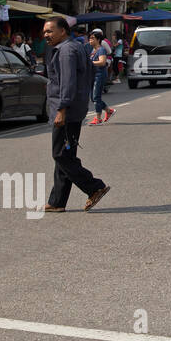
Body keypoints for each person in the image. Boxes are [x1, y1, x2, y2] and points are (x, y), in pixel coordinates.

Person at [42, 16, 110, 212]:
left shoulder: (66, 52)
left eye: (50, 31)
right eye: (45, 31)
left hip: (67, 111)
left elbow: (68, 82)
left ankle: (95, 187)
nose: (46, 35)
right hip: (74, 108)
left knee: (60, 154)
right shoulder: (75, 47)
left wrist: (62, 109)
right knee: (66, 154)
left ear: (63, 31)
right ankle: (57, 201)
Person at [87, 30, 115, 126]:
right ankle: (108, 111)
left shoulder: (101, 50)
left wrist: (89, 63)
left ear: (98, 40)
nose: (90, 40)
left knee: (96, 97)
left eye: (92, 38)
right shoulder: (93, 50)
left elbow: (102, 62)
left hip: (99, 75)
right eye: (89, 38)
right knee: (93, 97)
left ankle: (98, 118)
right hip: (92, 76)